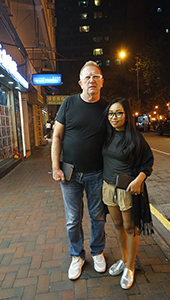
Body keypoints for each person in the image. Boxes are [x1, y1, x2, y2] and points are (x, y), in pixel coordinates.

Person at [51, 61, 107, 280]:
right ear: (80, 83)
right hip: (70, 172)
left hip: (97, 172)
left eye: (96, 76)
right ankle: (77, 255)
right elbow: (56, 136)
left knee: (98, 217)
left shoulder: (107, 108)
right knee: (73, 219)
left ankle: (97, 251)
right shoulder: (68, 103)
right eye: (87, 77)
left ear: (102, 81)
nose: (91, 80)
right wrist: (55, 167)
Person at [102, 98, 154, 289]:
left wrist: (139, 180)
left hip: (127, 189)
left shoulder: (135, 138)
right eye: (111, 113)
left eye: (118, 113)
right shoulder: (107, 135)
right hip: (108, 187)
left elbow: (147, 162)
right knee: (116, 224)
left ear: (127, 115)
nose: (114, 117)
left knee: (130, 227)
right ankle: (124, 259)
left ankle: (131, 266)